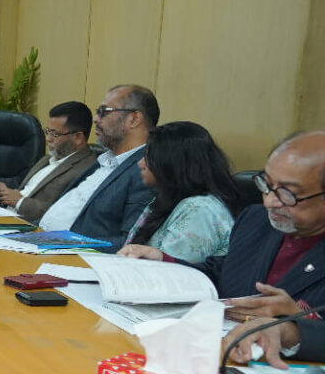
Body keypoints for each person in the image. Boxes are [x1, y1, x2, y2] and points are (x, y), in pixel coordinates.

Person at [124, 131, 325, 332]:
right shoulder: (256, 220)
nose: (270, 202)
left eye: (288, 193)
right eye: (267, 185)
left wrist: (299, 325)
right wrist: (164, 261)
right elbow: (222, 273)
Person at [35, 84, 157, 246]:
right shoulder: (102, 161)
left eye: (104, 112)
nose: (95, 119)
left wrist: (67, 243)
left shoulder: (146, 171)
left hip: (69, 253)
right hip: (38, 238)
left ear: (134, 119)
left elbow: (128, 242)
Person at [117, 121, 246, 262]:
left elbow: (172, 269)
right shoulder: (166, 199)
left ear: (173, 162)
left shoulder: (200, 210)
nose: (140, 164)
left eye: (149, 157)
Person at [0, 100, 97, 224]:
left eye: (54, 134)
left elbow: (63, 217)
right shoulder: (46, 159)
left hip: (31, 229)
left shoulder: (88, 169)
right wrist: (2, 197)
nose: (48, 139)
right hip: (4, 219)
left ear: (78, 137)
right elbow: (26, 193)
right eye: (47, 131)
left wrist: (19, 201)